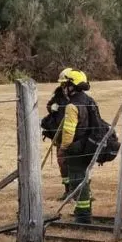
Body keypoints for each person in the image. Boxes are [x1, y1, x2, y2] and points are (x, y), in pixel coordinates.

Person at [54, 69, 98, 224]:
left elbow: (69, 131)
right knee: (84, 178)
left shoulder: (72, 106)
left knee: (77, 178)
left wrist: (63, 147)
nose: (63, 88)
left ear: (71, 86)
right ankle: (83, 210)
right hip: (89, 146)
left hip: (77, 148)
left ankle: (83, 214)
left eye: (65, 85)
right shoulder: (89, 100)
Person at [44, 68, 73, 199]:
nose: (62, 86)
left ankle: (83, 189)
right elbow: (49, 105)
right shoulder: (58, 95)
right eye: (61, 83)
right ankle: (68, 189)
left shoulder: (79, 97)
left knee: (79, 163)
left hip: (75, 137)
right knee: (63, 163)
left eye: (64, 83)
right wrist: (51, 108)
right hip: (60, 136)